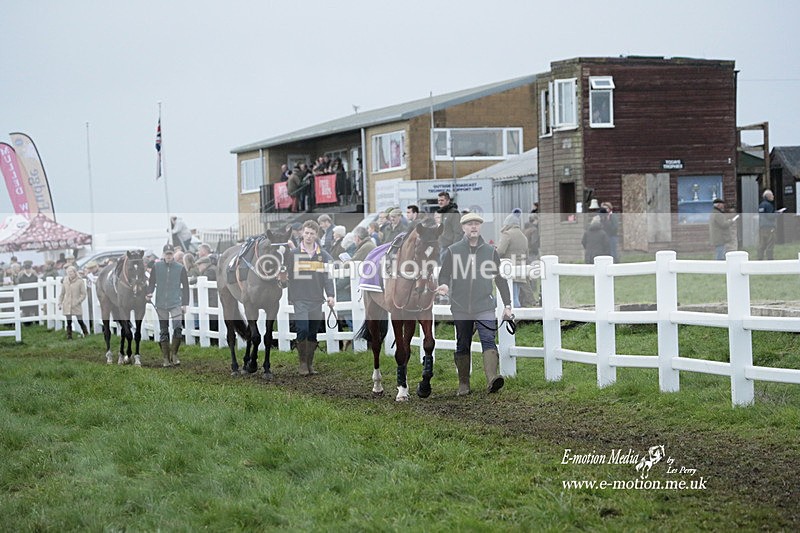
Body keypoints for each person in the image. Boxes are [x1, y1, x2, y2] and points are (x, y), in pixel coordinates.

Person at [436, 212, 513, 396]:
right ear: (463, 228)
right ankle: (463, 384)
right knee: (463, 343)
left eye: (477, 224)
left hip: (484, 305)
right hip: (460, 306)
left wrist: (508, 305)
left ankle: (492, 379)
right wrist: (444, 285)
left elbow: (500, 280)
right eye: (469, 224)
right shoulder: (453, 251)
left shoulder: (490, 251)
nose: (473, 227)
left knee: (488, 339)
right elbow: (444, 274)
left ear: (480, 227)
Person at [288, 220, 335, 376]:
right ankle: (302, 363)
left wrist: (330, 295)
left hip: (316, 299)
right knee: (302, 328)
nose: (308, 236)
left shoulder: (323, 255)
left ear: (316, 235)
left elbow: (327, 277)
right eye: (306, 233)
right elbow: (287, 276)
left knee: (313, 332)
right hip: (299, 297)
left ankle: (310, 364)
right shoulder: (293, 254)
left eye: (312, 234)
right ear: (302, 233)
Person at [147, 244, 190, 367]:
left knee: (177, 327)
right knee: (164, 330)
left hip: (176, 302)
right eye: (167, 254)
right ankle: (165, 358)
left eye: (171, 254)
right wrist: (149, 293)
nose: (169, 256)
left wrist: (185, 304)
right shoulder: (156, 267)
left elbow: (185, 287)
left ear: (173, 255)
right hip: (161, 303)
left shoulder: (180, 268)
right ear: (163, 254)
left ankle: (174, 354)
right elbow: (151, 282)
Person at [496, 213, 535, 307]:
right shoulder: (523, 236)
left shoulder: (507, 234)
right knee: (515, 295)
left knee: (512, 298)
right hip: (521, 270)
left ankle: (514, 317)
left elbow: (500, 251)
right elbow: (526, 255)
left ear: (508, 224)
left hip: (509, 269)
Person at [59, 265, 88, 339]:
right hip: (67, 304)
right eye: (68, 273)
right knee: (69, 322)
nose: (70, 274)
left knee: (80, 320)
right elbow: (62, 293)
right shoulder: (65, 281)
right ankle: (69, 336)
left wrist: (78, 301)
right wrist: (60, 302)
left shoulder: (80, 281)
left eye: (71, 272)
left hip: (76, 304)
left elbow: (83, 294)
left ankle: (86, 333)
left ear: (75, 273)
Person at [757, 189, 783, 260]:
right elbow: (770, 216)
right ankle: (770, 260)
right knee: (770, 244)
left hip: (762, 227)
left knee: (762, 244)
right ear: (768, 196)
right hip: (770, 228)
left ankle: (760, 259)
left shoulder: (761, 205)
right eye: (772, 195)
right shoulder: (769, 205)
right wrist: (778, 213)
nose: (773, 196)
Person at [436, 191, 462, 256]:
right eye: (438, 200)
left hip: (450, 247)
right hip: (443, 246)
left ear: (448, 201)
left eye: (442, 200)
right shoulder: (443, 213)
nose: (440, 202)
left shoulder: (453, 213)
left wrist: (455, 248)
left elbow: (458, 232)